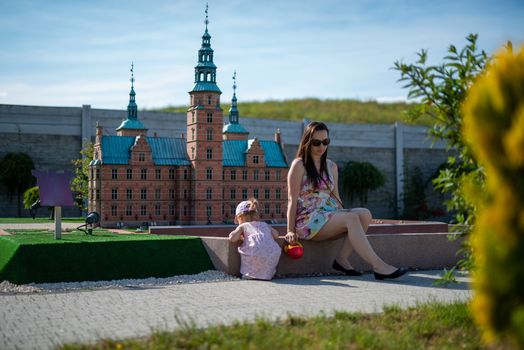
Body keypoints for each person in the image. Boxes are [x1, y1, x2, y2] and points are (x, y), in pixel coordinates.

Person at [285, 121, 406, 280]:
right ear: (307, 142)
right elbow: (291, 200)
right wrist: (290, 230)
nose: (321, 146)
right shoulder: (299, 165)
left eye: (325, 142)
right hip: (308, 221)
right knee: (351, 218)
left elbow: (336, 198)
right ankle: (379, 266)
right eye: (316, 142)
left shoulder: (331, 166)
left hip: (327, 216)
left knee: (364, 214)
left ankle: (342, 259)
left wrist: (343, 213)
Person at [229, 199, 282, 280]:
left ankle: (249, 274)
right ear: (256, 215)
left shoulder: (243, 226)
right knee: (264, 253)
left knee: (251, 251)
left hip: (254, 255)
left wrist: (238, 234)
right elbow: (276, 235)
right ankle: (267, 274)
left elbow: (232, 239)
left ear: (240, 218)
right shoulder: (265, 225)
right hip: (273, 256)